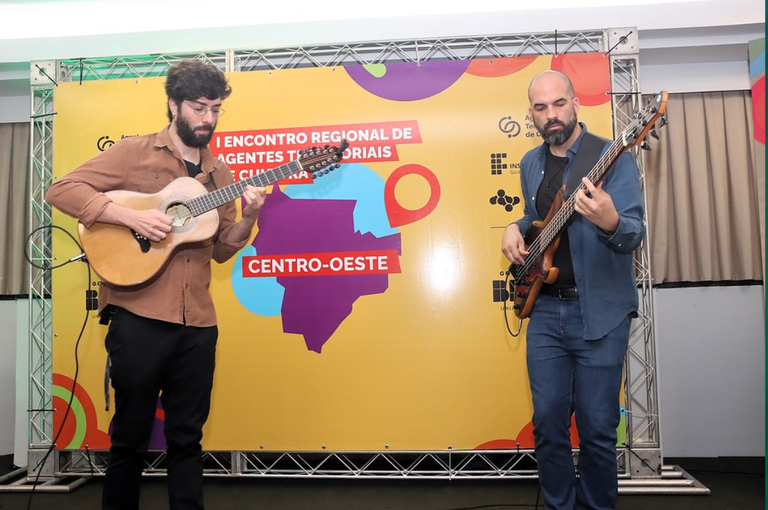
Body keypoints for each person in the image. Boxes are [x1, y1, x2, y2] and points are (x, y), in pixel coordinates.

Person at [46, 59, 266, 510]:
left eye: (216, 109)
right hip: (139, 316)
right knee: (129, 438)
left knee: (187, 439)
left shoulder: (220, 176)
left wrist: (250, 215)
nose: (208, 119)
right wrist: (129, 215)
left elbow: (223, 249)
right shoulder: (134, 153)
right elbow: (62, 190)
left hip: (198, 323)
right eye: (199, 107)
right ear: (174, 104)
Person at [501, 70, 645, 510]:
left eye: (559, 103)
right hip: (544, 312)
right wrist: (515, 225)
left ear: (575, 102)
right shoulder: (530, 163)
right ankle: (560, 505)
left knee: (599, 427)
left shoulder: (612, 156)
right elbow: (537, 217)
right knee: (547, 423)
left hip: (599, 314)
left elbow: (633, 234)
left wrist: (610, 220)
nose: (552, 115)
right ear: (531, 115)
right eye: (541, 108)